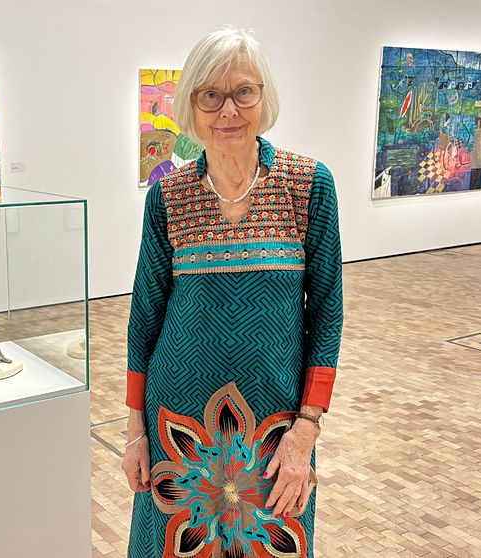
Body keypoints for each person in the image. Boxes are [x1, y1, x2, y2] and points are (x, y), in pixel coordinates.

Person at [122, 27, 343, 558]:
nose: (228, 110)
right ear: (191, 106)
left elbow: (327, 313)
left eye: (244, 91)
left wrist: (306, 430)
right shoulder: (168, 198)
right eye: (211, 95)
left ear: (264, 98)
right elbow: (145, 316)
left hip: (275, 426)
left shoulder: (308, 186)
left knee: (270, 541)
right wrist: (135, 431)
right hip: (178, 423)